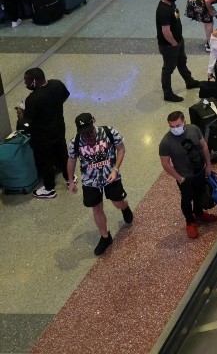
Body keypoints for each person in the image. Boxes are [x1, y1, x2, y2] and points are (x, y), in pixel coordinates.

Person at [67, 113, 133, 255]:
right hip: (90, 181)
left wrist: (115, 169)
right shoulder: (75, 142)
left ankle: (125, 208)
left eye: (90, 131)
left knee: (118, 203)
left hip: (111, 176)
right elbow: (71, 160)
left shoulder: (109, 132)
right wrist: (71, 180)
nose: (88, 135)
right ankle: (105, 237)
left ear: (94, 122)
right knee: (97, 209)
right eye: (84, 133)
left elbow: (121, 149)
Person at [158, 110, 217, 239]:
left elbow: (204, 147)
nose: (175, 129)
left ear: (184, 121)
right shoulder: (166, 142)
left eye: (177, 125)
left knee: (199, 193)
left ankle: (199, 213)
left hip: (199, 171)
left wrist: (208, 164)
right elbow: (165, 163)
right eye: (172, 126)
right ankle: (190, 222)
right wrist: (179, 178)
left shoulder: (194, 129)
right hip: (184, 177)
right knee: (186, 199)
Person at [21, 68, 70, 199]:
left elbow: (27, 122)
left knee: (46, 160)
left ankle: (49, 188)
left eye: (27, 81)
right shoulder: (57, 84)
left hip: (42, 136)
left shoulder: (32, 99)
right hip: (59, 128)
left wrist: (21, 115)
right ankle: (69, 178)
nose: (25, 84)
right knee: (62, 153)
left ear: (34, 81)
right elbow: (66, 95)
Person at [156, 0, 200, 102]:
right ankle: (168, 94)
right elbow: (165, 31)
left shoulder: (171, 4)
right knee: (168, 69)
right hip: (169, 45)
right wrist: (174, 43)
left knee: (182, 62)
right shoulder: (163, 10)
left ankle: (189, 82)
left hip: (178, 41)